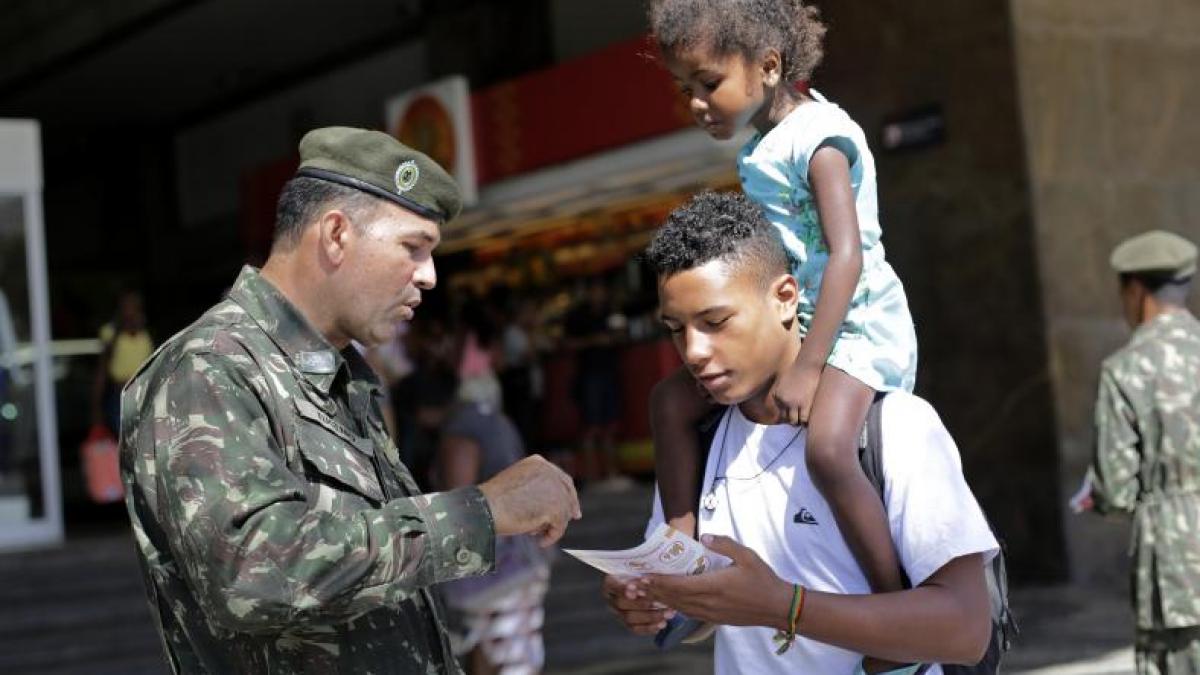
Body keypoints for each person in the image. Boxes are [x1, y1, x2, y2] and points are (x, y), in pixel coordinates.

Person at [119, 127, 581, 674]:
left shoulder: (335, 374)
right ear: (336, 234)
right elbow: (253, 574)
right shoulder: (208, 368)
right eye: (413, 248)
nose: (429, 276)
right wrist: (479, 512)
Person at [606, 192, 996, 674]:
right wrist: (652, 599)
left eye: (715, 322)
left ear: (785, 299)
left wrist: (782, 606)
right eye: (675, 328)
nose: (694, 351)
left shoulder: (893, 426)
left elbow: (966, 630)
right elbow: (707, 614)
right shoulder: (696, 441)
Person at [646, 0, 919, 616]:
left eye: (708, 83)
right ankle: (680, 557)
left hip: (855, 325)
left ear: (768, 66)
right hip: (795, 324)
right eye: (686, 89)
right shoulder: (761, 147)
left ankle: (893, 601)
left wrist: (808, 367)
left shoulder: (820, 138)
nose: (696, 103)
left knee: (828, 450)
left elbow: (846, 256)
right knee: (669, 402)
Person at [1077, 230, 1200, 675]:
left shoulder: (1126, 369)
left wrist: (1096, 495)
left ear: (1135, 291)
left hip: (1175, 575)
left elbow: (1116, 490)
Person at [437, 398, 551, 675]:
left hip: (494, 569)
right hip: (520, 559)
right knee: (518, 656)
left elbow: (459, 503)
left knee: (499, 655)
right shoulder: (499, 422)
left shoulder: (463, 428)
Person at [563, 280, 627, 486]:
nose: (598, 294)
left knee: (610, 426)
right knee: (591, 427)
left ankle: (611, 474)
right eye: (595, 290)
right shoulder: (577, 316)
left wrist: (614, 338)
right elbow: (567, 343)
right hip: (588, 374)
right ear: (589, 292)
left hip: (609, 372)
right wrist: (593, 341)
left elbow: (622, 334)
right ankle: (592, 476)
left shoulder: (611, 311)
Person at [92, 289, 153, 435]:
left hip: (143, 396)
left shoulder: (145, 335)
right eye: (126, 307)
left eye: (134, 307)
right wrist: (96, 405)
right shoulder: (110, 332)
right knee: (122, 436)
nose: (130, 312)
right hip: (120, 395)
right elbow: (103, 368)